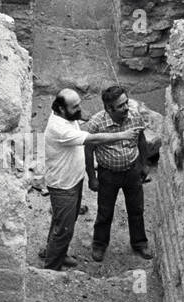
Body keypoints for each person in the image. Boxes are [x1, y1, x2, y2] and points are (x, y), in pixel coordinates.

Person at [41, 88, 142, 272]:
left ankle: (56, 253)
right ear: (62, 109)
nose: (80, 109)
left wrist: (81, 115)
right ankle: (51, 268)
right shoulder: (59, 129)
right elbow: (92, 139)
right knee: (64, 228)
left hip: (72, 180)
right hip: (63, 186)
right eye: (75, 107)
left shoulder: (62, 116)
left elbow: (77, 117)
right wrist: (122, 135)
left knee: (63, 223)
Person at [84, 84, 152, 262]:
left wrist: (144, 165)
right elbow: (88, 151)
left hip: (132, 172)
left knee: (136, 209)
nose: (126, 108)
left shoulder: (134, 117)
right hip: (108, 175)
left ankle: (139, 243)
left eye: (126, 102)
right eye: (121, 105)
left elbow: (142, 140)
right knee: (105, 212)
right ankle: (99, 244)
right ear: (108, 108)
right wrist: (92, 177)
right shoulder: (97, 123)